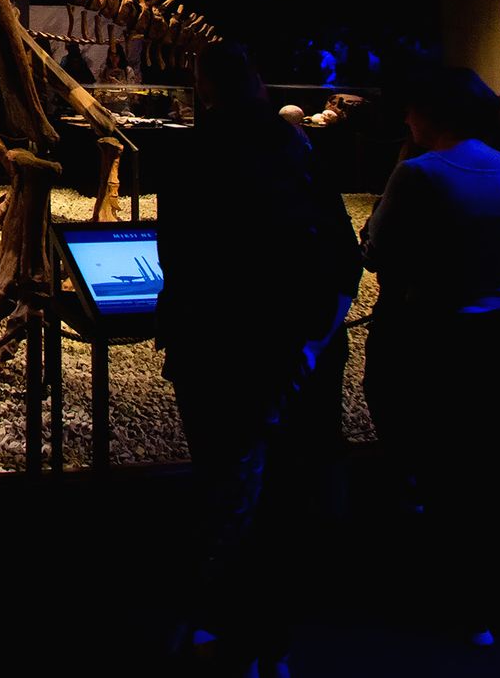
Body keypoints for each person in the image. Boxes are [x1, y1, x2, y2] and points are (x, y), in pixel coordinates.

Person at [153, 41, 361, 673]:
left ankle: (228, 623)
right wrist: (311, 343)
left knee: (227, 479)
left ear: (203, 85)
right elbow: (341, 258)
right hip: (290, 349)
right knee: (279, 482)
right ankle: (269, 632)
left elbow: (180, 258)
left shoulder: (195, 153)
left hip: (223, 349)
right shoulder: (297, 153)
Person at [361, 66, 500, 646]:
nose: (405, 118)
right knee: (493, 464)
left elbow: (377, 251)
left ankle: (453, 598)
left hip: (428, 332)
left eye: (412, 108)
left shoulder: (421, 174)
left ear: (433, 113)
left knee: (432, 460)